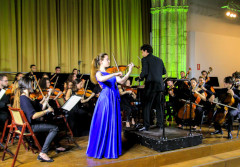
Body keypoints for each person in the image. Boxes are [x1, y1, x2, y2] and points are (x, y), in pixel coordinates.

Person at [86, 53, 134, 159]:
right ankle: (102, 148)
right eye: (107, 59)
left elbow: (121, 81)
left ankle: (110, 149)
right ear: (101, 61)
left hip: (113, 99)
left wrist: (129, 71)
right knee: (105, 121)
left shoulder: (109, 73)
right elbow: (102, 79)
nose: (109, 61)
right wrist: (114, 74)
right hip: (106, 99)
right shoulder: (99, 73)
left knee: (112, 122)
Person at [13, 77, 65, 162]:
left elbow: (40, 107)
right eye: (32, 84)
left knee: (51, 122)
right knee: (54, 128)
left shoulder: (26, 97)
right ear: (27, 85)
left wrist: (47, 97)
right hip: (29, 126)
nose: (34, 85)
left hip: (29, 124)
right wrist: (47, 110)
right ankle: (43, 153)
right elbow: (33, 115)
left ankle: (56, 145)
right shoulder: (24, 99)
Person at [138, 44, 166, 131]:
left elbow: (144, 72)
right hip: (160, 85)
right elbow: (163, 72)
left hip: (151, 85)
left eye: (142, 52)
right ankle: (160, 124)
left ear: (146, 51)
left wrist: (140, 77)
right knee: (159, 105)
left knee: (147, 105)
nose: (142, 54)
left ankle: (146, 126)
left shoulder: (145, 59)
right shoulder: (159, 60)